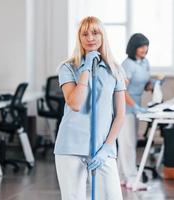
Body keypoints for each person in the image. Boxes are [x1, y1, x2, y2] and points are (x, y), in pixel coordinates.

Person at [54, 16, 126, 200]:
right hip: (71, 146)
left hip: (102, 148)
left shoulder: (115, 69)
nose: (90, 38)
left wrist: (106, 148)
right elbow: (75, 104)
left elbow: (120, 116)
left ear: (103, 36)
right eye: (84, 34)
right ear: (79, 38)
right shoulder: (68, 67)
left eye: (95, 32)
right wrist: (86, 68)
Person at [118, 33, 153, 190]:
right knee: (128, 144)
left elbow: (145, 84)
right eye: (141, 46)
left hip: (136, 107)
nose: (144, 49)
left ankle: (121, 177)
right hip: (124, 107)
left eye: (146, 46)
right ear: (134, 47)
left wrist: (154, 85)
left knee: (128, 143)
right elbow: (122, 90)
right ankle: (132, 179)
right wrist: (134, 106)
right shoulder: (126, 65)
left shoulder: (145, 63)